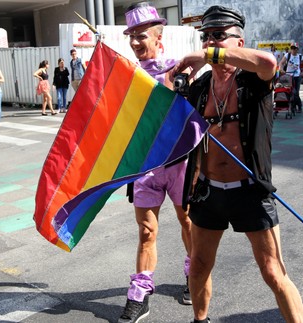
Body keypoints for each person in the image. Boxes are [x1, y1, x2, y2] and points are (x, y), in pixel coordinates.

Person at [170, 5, 303, 322]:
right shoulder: (201, 88)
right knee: (199, 266)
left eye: (219, 36)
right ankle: (199, 320)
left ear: (238, 43)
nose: (210, 41)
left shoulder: (253, 82)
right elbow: (169, 112)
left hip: (250, 192)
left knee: (273, 272)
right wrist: (179, 76)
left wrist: (206, 56)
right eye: (206, 37)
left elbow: (269, 63)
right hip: (209, 193)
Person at [117, 3, 193, 323]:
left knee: (188, 222)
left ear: (158, 37)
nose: (135, 42)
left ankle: (194, 271)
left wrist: (180, 76)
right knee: (147, 232)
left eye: (141, 35)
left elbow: (187, 101)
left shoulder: (176, 68)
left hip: (179, 163)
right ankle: (141, 292)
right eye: (131, 36)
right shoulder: (126, 74)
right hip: (145, 167)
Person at [279, 42, 303, 113]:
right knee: (289, 92)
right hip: (289, 76)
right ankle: (293, 107)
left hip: (297, 76)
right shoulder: (287, 55)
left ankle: (299, 106)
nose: (293, 50)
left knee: (296, 92)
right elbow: (281, 63)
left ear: (297, 49)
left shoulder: (300, 57)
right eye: (292, 48)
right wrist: (281, 69)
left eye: (295, 48)